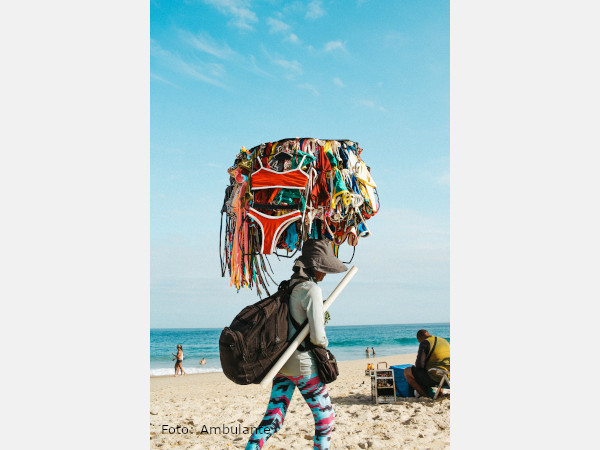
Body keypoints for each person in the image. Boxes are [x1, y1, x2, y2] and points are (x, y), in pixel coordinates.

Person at [246, 238, 347, 450]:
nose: (325, 273)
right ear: (315, 266)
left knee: (273, 419)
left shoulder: (289, 285)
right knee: (326, 419)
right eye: (324, 268)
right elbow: (318, 337)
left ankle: (252, 447)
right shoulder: (311, 289)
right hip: (304, 367)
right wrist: (325, 343)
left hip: (281, 364)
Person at [404, 330, 450, 398]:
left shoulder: (425, 342)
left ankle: (426, 396)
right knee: (435, 368)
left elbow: (419, 365)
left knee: (407, 371)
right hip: (449, 377)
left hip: (437, 378)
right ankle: (439, 392)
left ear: (420, 338)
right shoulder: (444, 341)